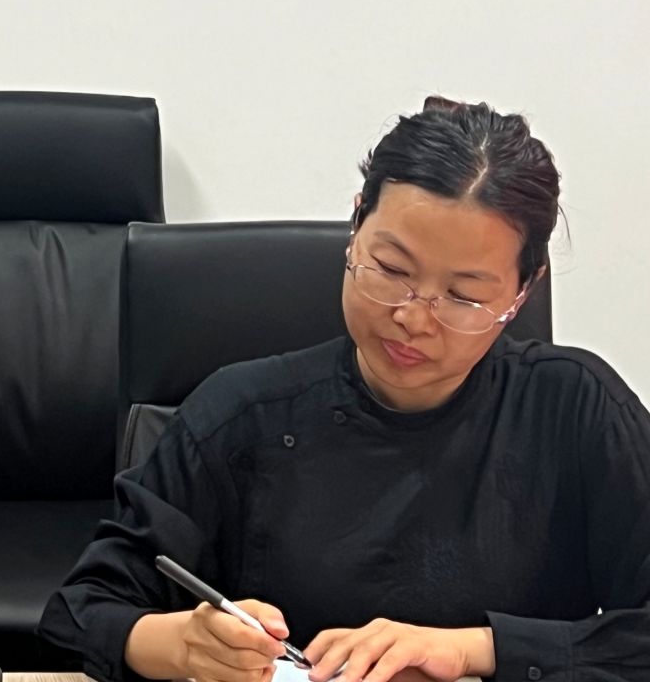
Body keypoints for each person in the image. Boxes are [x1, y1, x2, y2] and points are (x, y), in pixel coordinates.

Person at [41, 97, 650, 682]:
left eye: (464, 296)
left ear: (523, 291)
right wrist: (182, 645)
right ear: (356, 225)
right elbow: (83, 611)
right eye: (391, 270)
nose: (414, 318)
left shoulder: (576, 408)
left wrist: (472, 650)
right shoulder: (242, 413)